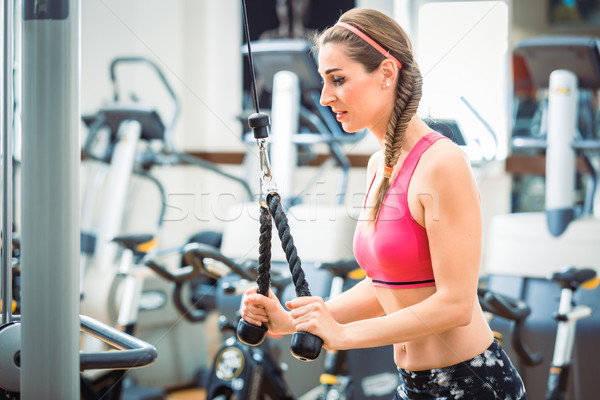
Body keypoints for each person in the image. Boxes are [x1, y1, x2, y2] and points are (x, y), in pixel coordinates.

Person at [242, 8, 527, 400]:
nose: (326, 97)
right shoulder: (380, 163)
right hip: (413, 385)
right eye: (324, 82)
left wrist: (343, 336)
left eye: (338, 79)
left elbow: (456, 305)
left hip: (471, 383)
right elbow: (386, 287)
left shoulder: (442, 163)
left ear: (387, 73)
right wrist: (294, 321)